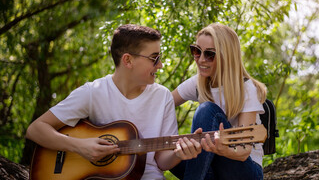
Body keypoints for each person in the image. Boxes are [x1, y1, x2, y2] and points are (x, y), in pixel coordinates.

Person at [26, 24, 202, 180]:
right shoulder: (93, 92)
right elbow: (35, 129)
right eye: (154, 58)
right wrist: (80, 146)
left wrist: (180, 153)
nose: (161, 65)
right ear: (128, 60)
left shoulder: (162, 96)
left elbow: (162, 162)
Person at [171, 23, 267, 180]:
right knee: (169, 154)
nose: (201, 59)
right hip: (211, 169)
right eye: (196, 51)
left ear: (226, 56)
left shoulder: (246, 89)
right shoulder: (198, 83)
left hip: (244, 170)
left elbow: (243, 153)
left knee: (207, 110)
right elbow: (162, 104)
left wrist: (223, 150)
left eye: (209, 54)